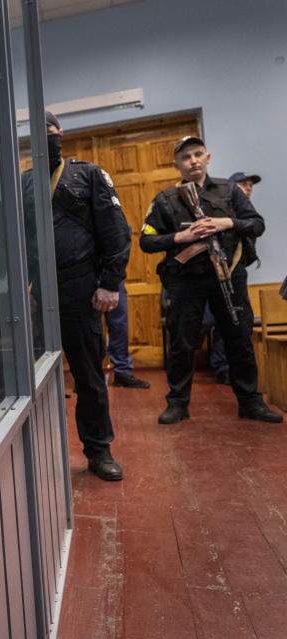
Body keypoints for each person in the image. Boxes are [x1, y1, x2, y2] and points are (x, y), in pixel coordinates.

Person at [140, 136, 282, 424]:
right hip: (185, 281)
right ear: (177, 163)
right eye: (186, 157)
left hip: (228, 276)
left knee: (239, 340)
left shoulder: (229, 191)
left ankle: (250, 402)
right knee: (182, 343)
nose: (192, 160)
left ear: (207, 157)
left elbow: (257, 224)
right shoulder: (166, 199)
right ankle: (178, 403)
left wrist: (226, 222)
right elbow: (146, 241)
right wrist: (183, 237)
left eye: (197, 154)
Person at [21, 111, 131, 481]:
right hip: (37, 294)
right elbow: (7, 241)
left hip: (81, 289)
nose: (44, 136)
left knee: (88, 376)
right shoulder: (22, 183)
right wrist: (18, 289)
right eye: (36, 132)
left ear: (60, 134)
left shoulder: (88, 174)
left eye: (48, 130)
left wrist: (110, 283)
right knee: (33, 380)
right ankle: (35, 454)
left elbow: (116, 232)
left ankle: (99, 450)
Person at [201, 171, 263, 385]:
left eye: (250, 186)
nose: (248, 188)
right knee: (215, 320)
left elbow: (256, 227)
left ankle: (229, 369)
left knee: (237, 321)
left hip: (235, 274)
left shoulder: (245, 214)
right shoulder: (220, 208)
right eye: (243, 185)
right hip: (210, 276)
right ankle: (221, 366)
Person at [105, 279, 150, 388]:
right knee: (85, 324)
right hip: (84, 271)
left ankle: (122, 373)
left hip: (112, 270)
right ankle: (85, 376)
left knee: (119, 325)